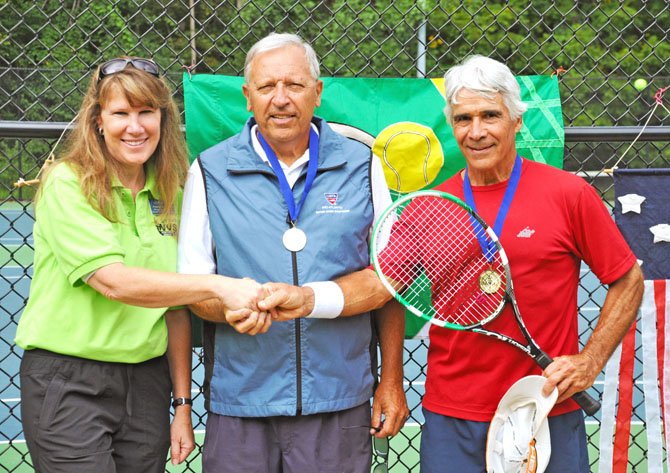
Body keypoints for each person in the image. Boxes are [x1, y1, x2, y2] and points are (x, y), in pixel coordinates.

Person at [258, 55, 644, 472]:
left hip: (545, 405)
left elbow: (627, 279)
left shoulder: (569, 194)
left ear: (516, 120)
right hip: (453, 416)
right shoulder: (429, 207)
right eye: (463, 119)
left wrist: (590, 360)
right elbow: (379, 284)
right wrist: (309, 297)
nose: (476, 132)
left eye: (490, 116)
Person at [14, 57, 267, 473]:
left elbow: (175, 307)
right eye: (121, 114)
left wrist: (182, 405)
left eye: (147, 112)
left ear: (163, 119)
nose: (136, 127)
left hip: (147, 383)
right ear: (98, 121)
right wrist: (219, 286)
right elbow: (113, 281)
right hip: (70, 379)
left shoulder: (173, 191)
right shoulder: (68, 182)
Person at [177, 33, 409, 472]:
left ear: (317, 92)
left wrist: (391, 381)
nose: (280, 99)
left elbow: (389, 279)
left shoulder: (364, 165)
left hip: (339, 400)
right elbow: (194, 287)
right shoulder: (209, 170)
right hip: (242, 402)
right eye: (266, 87)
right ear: (247, 97)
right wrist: (232, 305)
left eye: (294, 85)